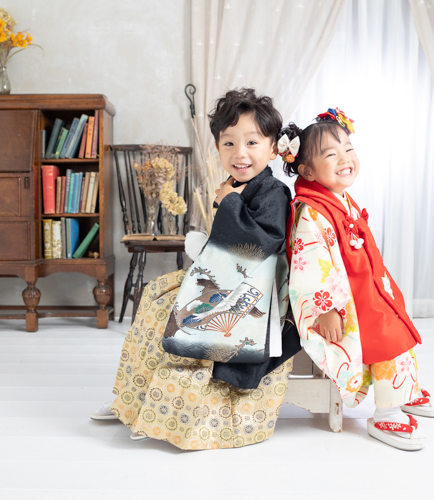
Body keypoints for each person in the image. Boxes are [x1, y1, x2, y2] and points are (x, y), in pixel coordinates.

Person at [91, 88, 300, 450]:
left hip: (252, 289)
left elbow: (260, 245)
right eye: (229, 143)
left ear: (272, 149)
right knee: (154, 301)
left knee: (178, 319)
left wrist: (229, 202)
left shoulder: (273, 192)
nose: (240, 153)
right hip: (227, 278)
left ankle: (158, 413)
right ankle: (132, 403)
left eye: (252, 142)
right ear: (217, 148)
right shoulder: (236, 186)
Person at [282, 107, 434, 451]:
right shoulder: (311, 211)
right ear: (307, 170)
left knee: (396, 319)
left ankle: (403, 389)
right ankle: (387, 411)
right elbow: (310, 265)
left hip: (365, 287)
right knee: (386, 333)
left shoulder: (338, 197)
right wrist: (327, 310)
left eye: (348, 149)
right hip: (343, 302)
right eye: (331, 154)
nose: (345, 159)